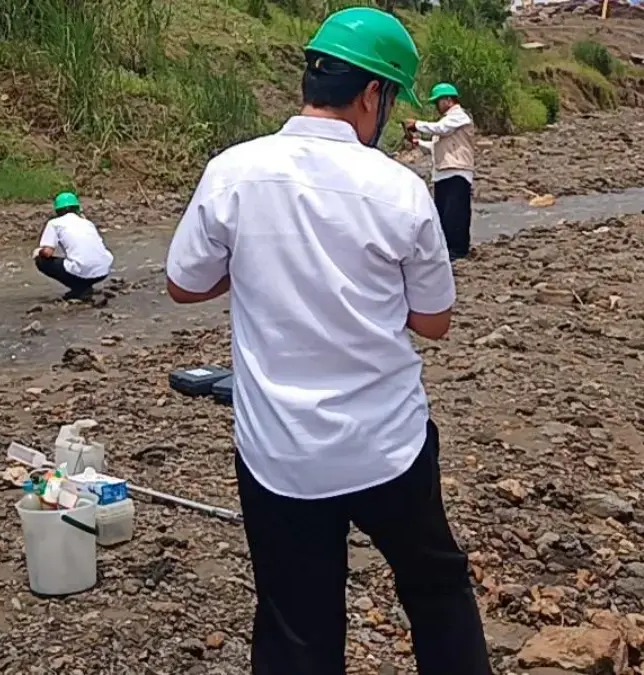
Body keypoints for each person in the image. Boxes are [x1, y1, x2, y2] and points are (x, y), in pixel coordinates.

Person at [165, 8, 491, 675]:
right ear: (373, 94)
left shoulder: (234, 171)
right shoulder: (400, 190)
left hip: (280, 451)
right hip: (387, 442)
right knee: (436, 588)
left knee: (296, 622)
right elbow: (434, 321)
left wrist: (254, 267)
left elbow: (183, 284)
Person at [405, 82, 476, 260]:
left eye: (438, 101)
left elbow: (440, 129)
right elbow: (436, 146)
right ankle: (448, 249)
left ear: (448, 100)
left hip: (457, 171)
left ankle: (459, 249)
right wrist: (418, 143)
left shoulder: (459, 116)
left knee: (456, 213)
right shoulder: (448, 121)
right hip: (443, 172)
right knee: (443, 214)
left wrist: (417, 125)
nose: (437, 105)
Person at [33, 192, 113, 301]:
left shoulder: (54, 223)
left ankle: (79, 289)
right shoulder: (87, 223)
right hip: (103, 271)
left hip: (82, 272)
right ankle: (85, 286)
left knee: (42, 261)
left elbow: (47, 252)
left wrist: (38, 252)